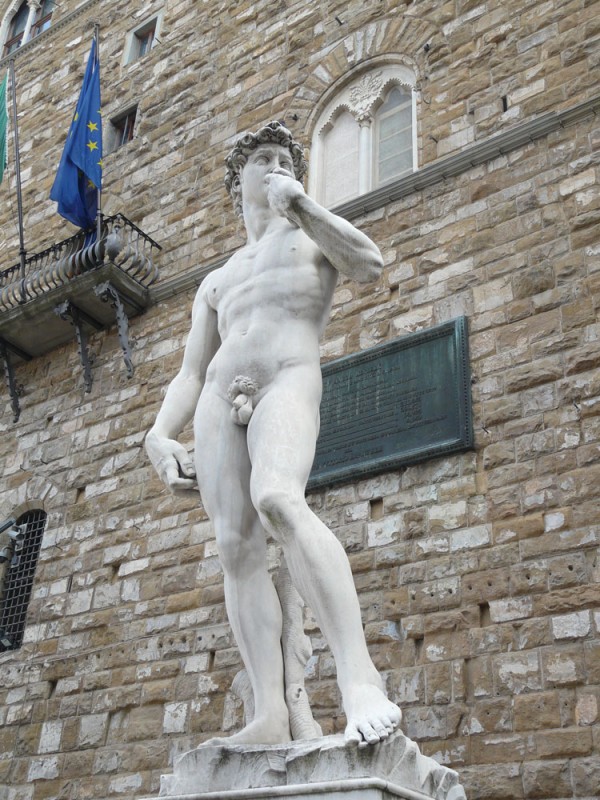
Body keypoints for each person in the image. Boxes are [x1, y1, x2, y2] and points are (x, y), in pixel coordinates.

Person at [145, 121, 402, 747]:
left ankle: (359, 679)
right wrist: (158, 433)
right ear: (240, 182)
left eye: (285, 159)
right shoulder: (217, 280)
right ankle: (269, 713)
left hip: (287, 376)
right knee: (235, 548)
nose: (276, 166)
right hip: (217, 397)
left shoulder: (311, 235)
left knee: (279, 499)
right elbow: (190, 371)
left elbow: (369, 264)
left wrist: (303, 206)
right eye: (263, 159)